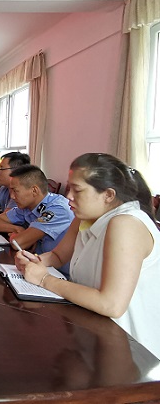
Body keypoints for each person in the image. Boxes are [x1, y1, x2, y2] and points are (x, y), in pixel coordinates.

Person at [15, 153, 160, 359]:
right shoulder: (85, 216)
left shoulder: (126, 223)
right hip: (93, 332)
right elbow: (58, 256)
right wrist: (33, 261)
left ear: (108, 195)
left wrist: (44, 279)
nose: (69, 196)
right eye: (69, 188)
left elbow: (111, 304)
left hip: (132, 349)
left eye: (78, 190)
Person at [0, 165, 74, 260]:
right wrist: (17, 229)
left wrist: (20, 237)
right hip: (37, 261)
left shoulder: (58, 209)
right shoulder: (26, 206)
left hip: (55, 268)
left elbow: (17, 243)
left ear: (34, 191)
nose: (12, 197)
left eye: (15, 191)